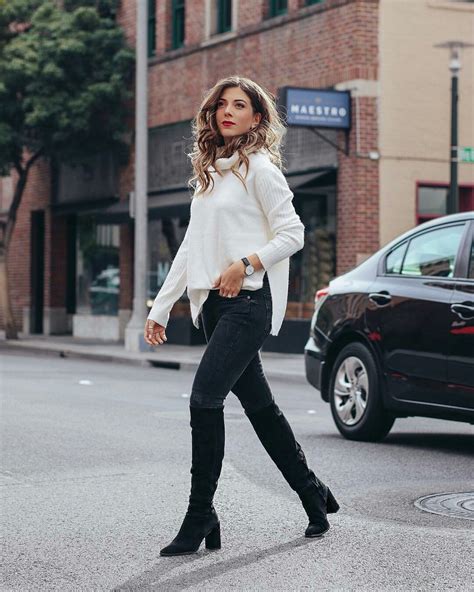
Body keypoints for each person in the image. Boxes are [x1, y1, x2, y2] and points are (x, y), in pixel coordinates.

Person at [144, 76, 339, 557]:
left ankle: (200, 515)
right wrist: (161, 307)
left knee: (204, 400)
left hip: (248, 304)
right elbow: (191, 246)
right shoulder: (211, 172)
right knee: (261, 409)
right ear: (211, 115)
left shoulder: (259, 168)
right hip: (213, 306)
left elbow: (293, 233)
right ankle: (312, 493)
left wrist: (246, 263)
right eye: (221, 105)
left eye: (240, 105)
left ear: (256, 117)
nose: (228, 112)